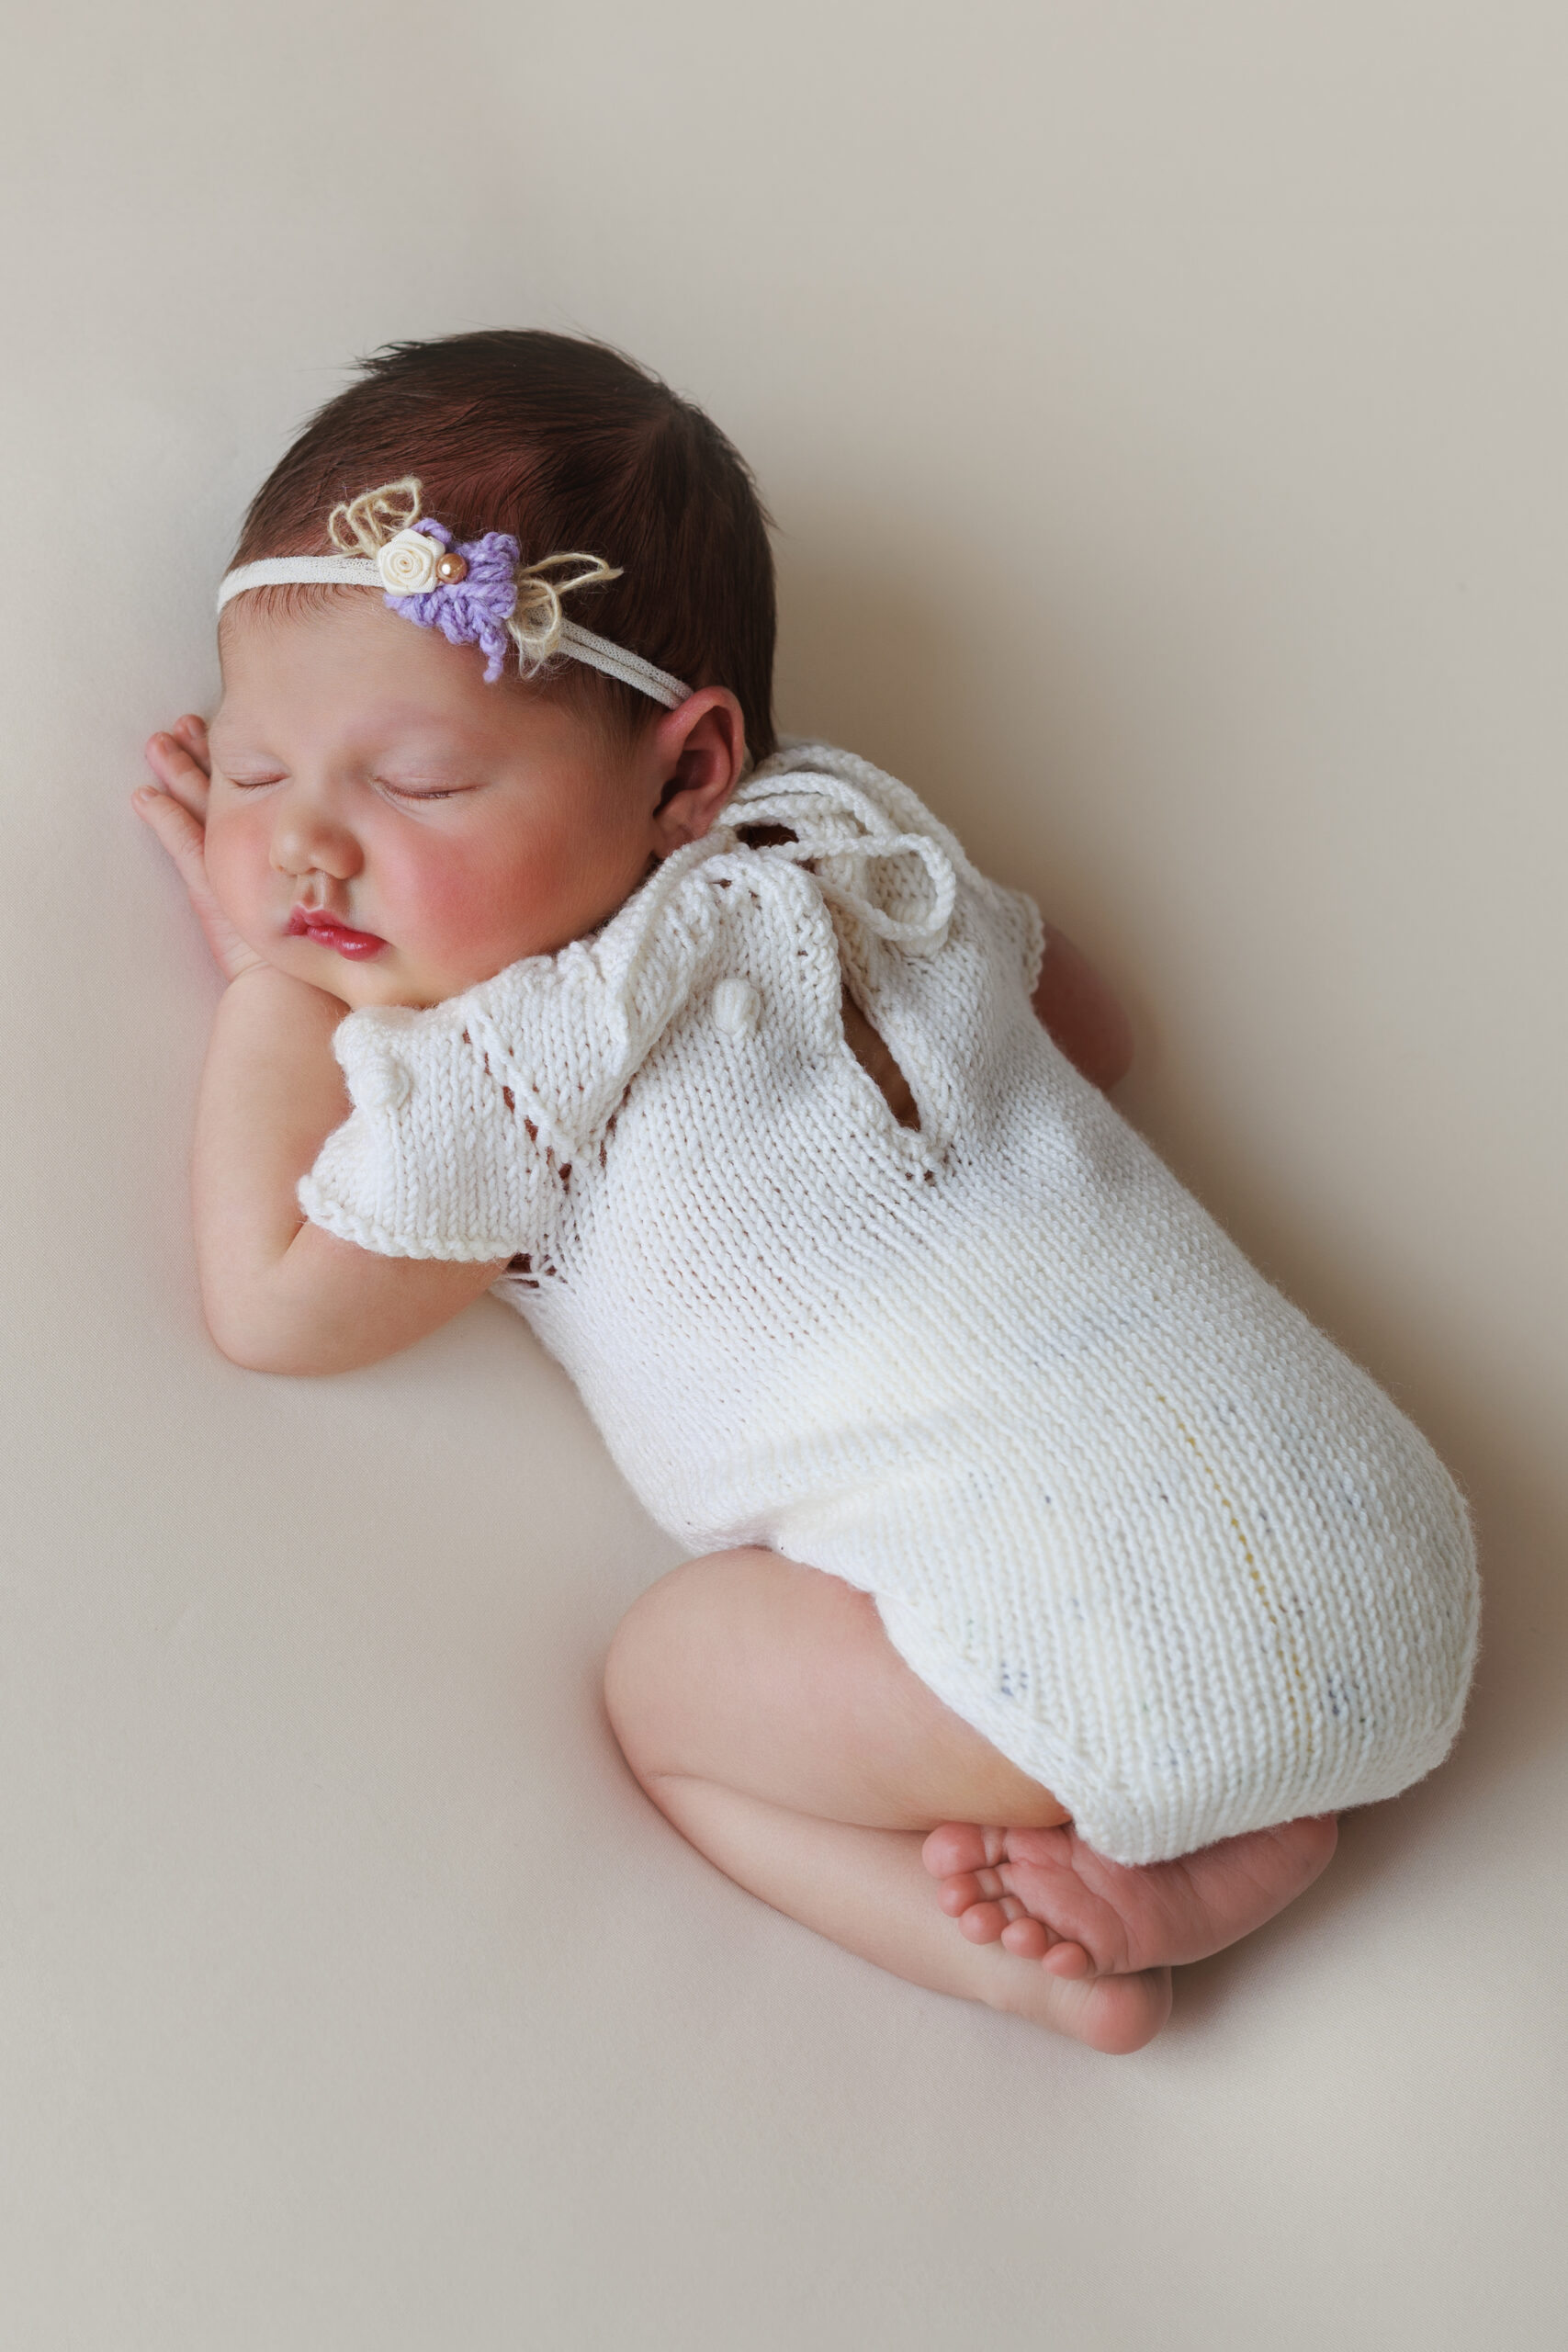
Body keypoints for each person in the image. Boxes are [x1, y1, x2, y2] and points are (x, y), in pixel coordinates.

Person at [134, 331, 1478, 2053]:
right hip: (1399, 1561)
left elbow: (275, 1307)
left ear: (686, 770)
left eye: (419, 783)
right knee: (1203, 1670)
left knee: (663, 1699)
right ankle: (1247, 1833)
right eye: (255, 773)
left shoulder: (522, 1052)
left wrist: (273, 986)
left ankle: (1028, 1960)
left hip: (1064, 1650)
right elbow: (1101, 1030)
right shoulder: (854, 847)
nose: (305, 846)